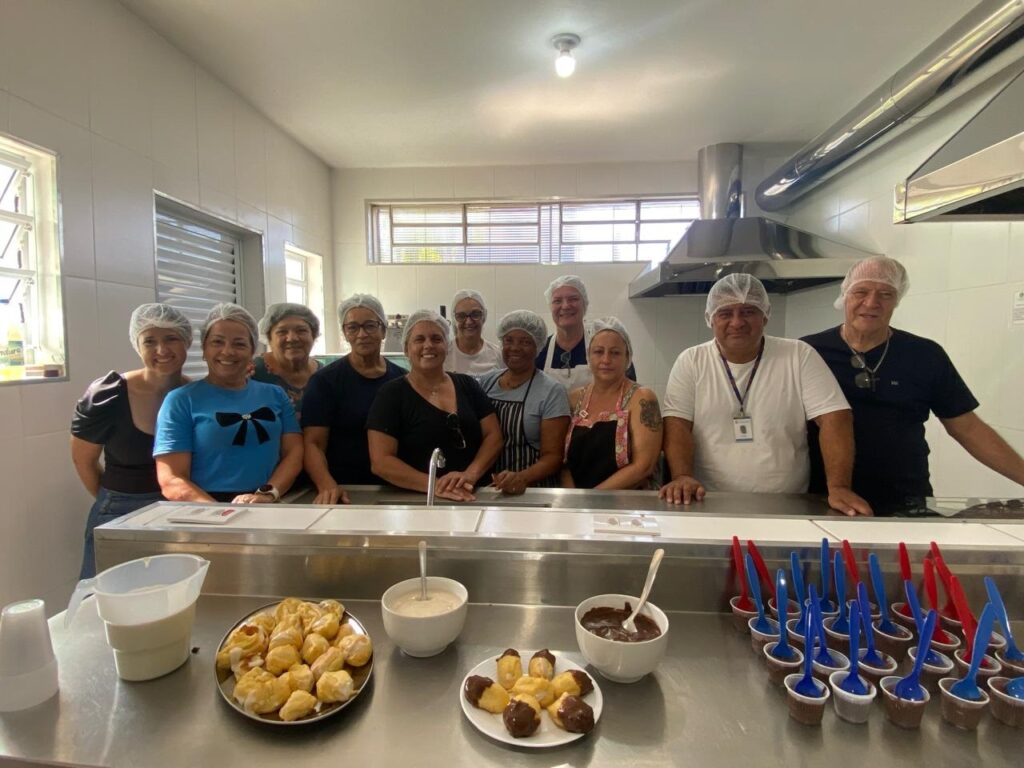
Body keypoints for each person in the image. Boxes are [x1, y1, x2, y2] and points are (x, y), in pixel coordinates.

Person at [802, 256, 1024, 513]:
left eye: (885, 294)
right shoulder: (809, 351)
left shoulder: (924, 355)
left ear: (897, 299)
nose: (871, 303)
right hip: (821, 498)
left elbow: (967, 428)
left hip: (906, 500)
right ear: (845, 295)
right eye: (861, 291)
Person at [659, 274, 871, 516]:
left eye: (748, 311)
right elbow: (677, 423)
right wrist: (682, 476)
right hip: (708, 502)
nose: (737, 322)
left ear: (765, 315)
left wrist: (839, 487)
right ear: (710, 319)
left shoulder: (798, 355)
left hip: (786, 505)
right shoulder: (692, 361)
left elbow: (835, 418)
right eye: (725, 313)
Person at [70, 303, 192, 579]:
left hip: (181, 511)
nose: (162, 350)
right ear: (137, 345)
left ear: (187, 341)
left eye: (171, 338)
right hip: (121, 510)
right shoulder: (108, 394)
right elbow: (83, 460)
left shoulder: (196, 394)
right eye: (150, 341)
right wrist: (116, 502)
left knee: (172, 599)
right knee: (104, 600)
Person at [154, 303, 303, 503]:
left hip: (266, 502)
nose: (227, 351)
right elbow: (171, 479)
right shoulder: (181, 400)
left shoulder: (275, 395)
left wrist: (268, 493)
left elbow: (294, 452)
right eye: (217, 342)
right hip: (203, 508)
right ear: (204, 350)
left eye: (239, 344)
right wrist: (219, 514)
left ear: (252, 351)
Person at [367, 310, 503, 501]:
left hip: (472, 494)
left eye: (436, 339)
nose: (428, 345)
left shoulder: (467, 385)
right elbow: (381, 462)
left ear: (447, 347)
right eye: (419, 339)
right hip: (415, 499)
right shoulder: (392, 395)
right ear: (406, 349)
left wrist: (470, 474)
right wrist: (436, 486)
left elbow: (493, 436)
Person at [302, 294, 405, 504]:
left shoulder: (402, 379)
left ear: (383, 330)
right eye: (353, 327)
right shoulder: (325, 382)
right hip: (345, 488)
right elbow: (313, 443)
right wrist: (326, 485)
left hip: (397, 486)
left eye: (370, 326)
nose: (362, 334)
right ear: (345, 333)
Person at [476, 310, 570, 493]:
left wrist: (521, 478)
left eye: (525, 342)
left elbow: (553, 457)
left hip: (533, 491)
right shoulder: (487, 382)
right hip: (488, 489)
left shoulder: (551, 391)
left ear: (538, 347)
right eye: (508, 340)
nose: (515, 348)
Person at [563, 317, 662, 489]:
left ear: (627, 358)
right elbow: (563, 463)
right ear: (588, 357)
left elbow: (643, 466)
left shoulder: (642, 398)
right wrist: (574, 500)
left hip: (627, 507)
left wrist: (592, 499)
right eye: (599, 352)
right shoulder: (574, 399)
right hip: (578, 506)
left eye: (615, 353)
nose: (606, 360)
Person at [535, 275, 637, 390]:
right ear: (550, 307)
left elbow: (630, 393)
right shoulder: (539, 352)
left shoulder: (606, 349)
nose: (565, 306)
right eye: (557, 301)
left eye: (573, 299)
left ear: (585, 304)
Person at [253, 302, 322, 421]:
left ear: (314, 335)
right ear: (269, 338)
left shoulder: (324, 374)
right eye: (282, 332)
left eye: (301, 330)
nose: (292, 338)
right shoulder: (252, 372)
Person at [444, 289, 502, 375]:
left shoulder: (497, 354)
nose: (469, 322)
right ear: (454, 319)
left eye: (475, 314)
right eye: (461, 316)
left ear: (484, 316)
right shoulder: (444, 353)